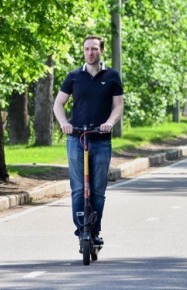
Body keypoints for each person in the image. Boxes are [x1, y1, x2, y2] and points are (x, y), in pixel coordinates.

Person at [53, 35, 124, 246]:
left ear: (101, 50)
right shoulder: (74, 76)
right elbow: (58, 104)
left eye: (94, 49)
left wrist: (110, 122)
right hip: (76, 139)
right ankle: (82, 229)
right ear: (83, 51)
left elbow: (118, 106)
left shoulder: (111, 76)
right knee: (78, 189)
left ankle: (95, 231)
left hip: (101, 139)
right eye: (86, 49)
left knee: (97, 190)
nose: (90, 53)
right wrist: (64, 123)